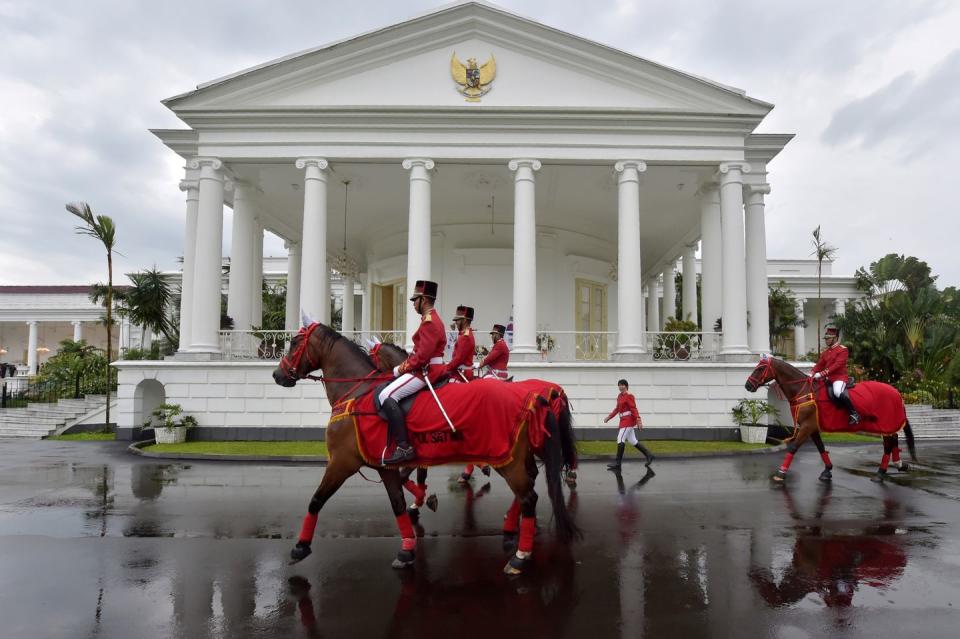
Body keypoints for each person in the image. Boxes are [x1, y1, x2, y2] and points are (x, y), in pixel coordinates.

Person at [377, 280, 447, 465]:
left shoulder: (430, 322)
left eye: (415, 300)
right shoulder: (429, 320)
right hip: (424, 367)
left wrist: (400, 369)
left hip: (426, 371)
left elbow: (422, 357)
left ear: (423, 300)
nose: (413, 304)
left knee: (386, 394)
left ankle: (403, 447)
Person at [811, 325, 859, 425]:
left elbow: (837, 365)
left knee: (837, 392)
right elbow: (819, 365)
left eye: (829, 339)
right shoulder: (825, 352)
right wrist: (811, 373)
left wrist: (821, 374)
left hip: (839, 378)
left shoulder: (842, 350)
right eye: (826, 339)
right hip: (828, 379)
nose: (826, 341)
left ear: (835, 338)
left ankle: (854, 413)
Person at [603, 379, 654, 470]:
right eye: (619, 385)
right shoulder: (619, 396)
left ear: (626, 386)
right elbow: (617, 409)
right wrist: (609, 417)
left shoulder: (629, 396)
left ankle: (618, 463)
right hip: (623, 420)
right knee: (632, 440)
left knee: (620, 438)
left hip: (628, 421)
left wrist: (639, 420)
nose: (620, 387)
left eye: (622, 385)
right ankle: (649, 455)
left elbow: (633, 409)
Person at [446, 305, 476, 383]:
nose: (455, 323)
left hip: (461, 375)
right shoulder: (466, 334)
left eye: (458, 320)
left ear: (465, 320)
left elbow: (458, 359)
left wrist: (445, 368)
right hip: (461, 372)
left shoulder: (465, 336)